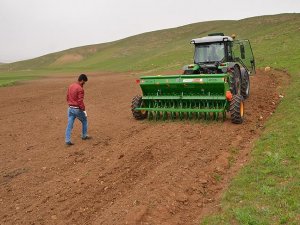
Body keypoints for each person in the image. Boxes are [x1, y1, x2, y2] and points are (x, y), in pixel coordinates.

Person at [65, 74, 91, 145]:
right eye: (84, 82)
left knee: (69, 124)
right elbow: (80, 101)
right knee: (85, 120)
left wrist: (70, 104)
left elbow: (67, 97)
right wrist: (83, 109)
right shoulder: (80, 89)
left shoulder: (71, 86)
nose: (84, 83)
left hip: (70, 108)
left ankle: (67, 139)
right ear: (82, 80)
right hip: (77, 109)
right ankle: (84, 135)